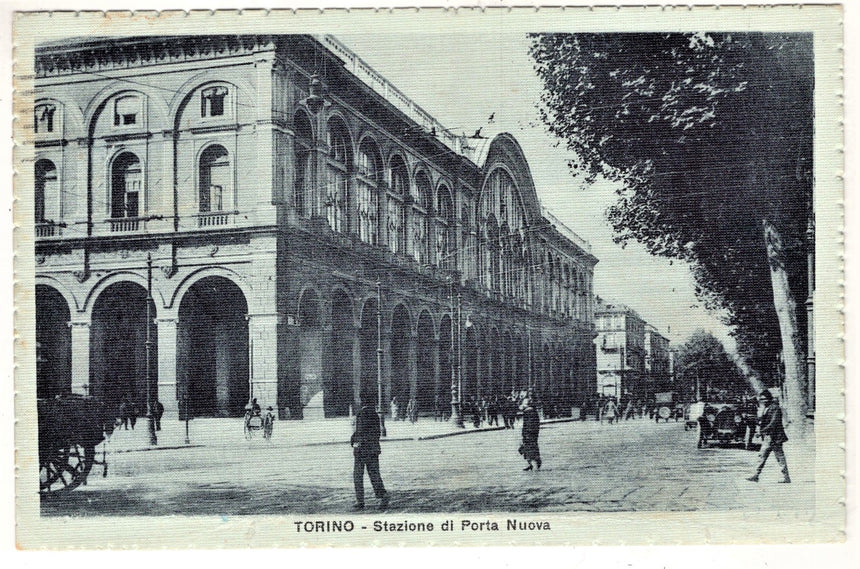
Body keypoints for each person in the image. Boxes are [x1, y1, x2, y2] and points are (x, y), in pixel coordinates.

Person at [350, 400, 389, 510]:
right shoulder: (374, 415)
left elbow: (359, 432)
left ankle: (360, 500)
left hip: (362, 450)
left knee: (358, 475)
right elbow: (376, 433)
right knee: (374, 474)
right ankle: (382, 496)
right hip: (372, 450)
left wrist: (354, 441)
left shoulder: (362, 414)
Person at [747, 389, 791, 483]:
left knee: (779, 457)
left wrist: (761, 431)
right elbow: (764, 421)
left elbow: (773, 423)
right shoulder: (765, 408)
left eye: (765, 399)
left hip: (775, 437)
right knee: (762, 456)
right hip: (768, 437)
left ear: (769, 399)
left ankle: (785, 477)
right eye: (761, 399)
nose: (763, 401)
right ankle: (756, 475)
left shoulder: (775, 408)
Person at [520, 398, 541, 471]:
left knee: (530, 448)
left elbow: (528, 424)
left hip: (529, 433)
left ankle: (534, 463)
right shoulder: (532, 411)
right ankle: (531, 463)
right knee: (530, 448)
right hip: (532, 433)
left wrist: (526, 433)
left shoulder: (529, 412)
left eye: (523, 404)